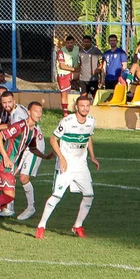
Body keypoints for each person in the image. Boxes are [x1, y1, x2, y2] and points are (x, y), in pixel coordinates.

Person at [0, 101, 53, 231]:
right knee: (9, 196)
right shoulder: (19, 126)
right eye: (36, 111)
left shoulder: (33, 131)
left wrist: (45, 156)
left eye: (40, 112)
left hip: (9, 165)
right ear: (29, 112)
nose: (38, 114)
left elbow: (32, 148)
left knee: (7, 198)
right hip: (3, 163)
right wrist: (5, 157)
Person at [36, 96, 100, 239]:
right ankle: (41, 225)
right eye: (82, 106)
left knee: (89, 195)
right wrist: (62, 158)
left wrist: (92, 156)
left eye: (87, 106)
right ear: (76, 107)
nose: (85, 108)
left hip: (81, 165)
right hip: (66, 165)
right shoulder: (67, 122)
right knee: (57, 196)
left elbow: (88, 137)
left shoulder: (91, 121)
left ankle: (77, 225)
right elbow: (53, 139)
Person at [56, 36, 79, 112]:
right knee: (64, 94)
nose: (70, 44)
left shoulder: (77, 49)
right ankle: (65, 112)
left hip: (73, 73)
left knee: (84, 76)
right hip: (63, 74)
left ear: (74, 42)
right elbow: (62, 66)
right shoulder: (61, 51)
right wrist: (74, 69)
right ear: (66, 43)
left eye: (71, 43)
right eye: (68, 43)